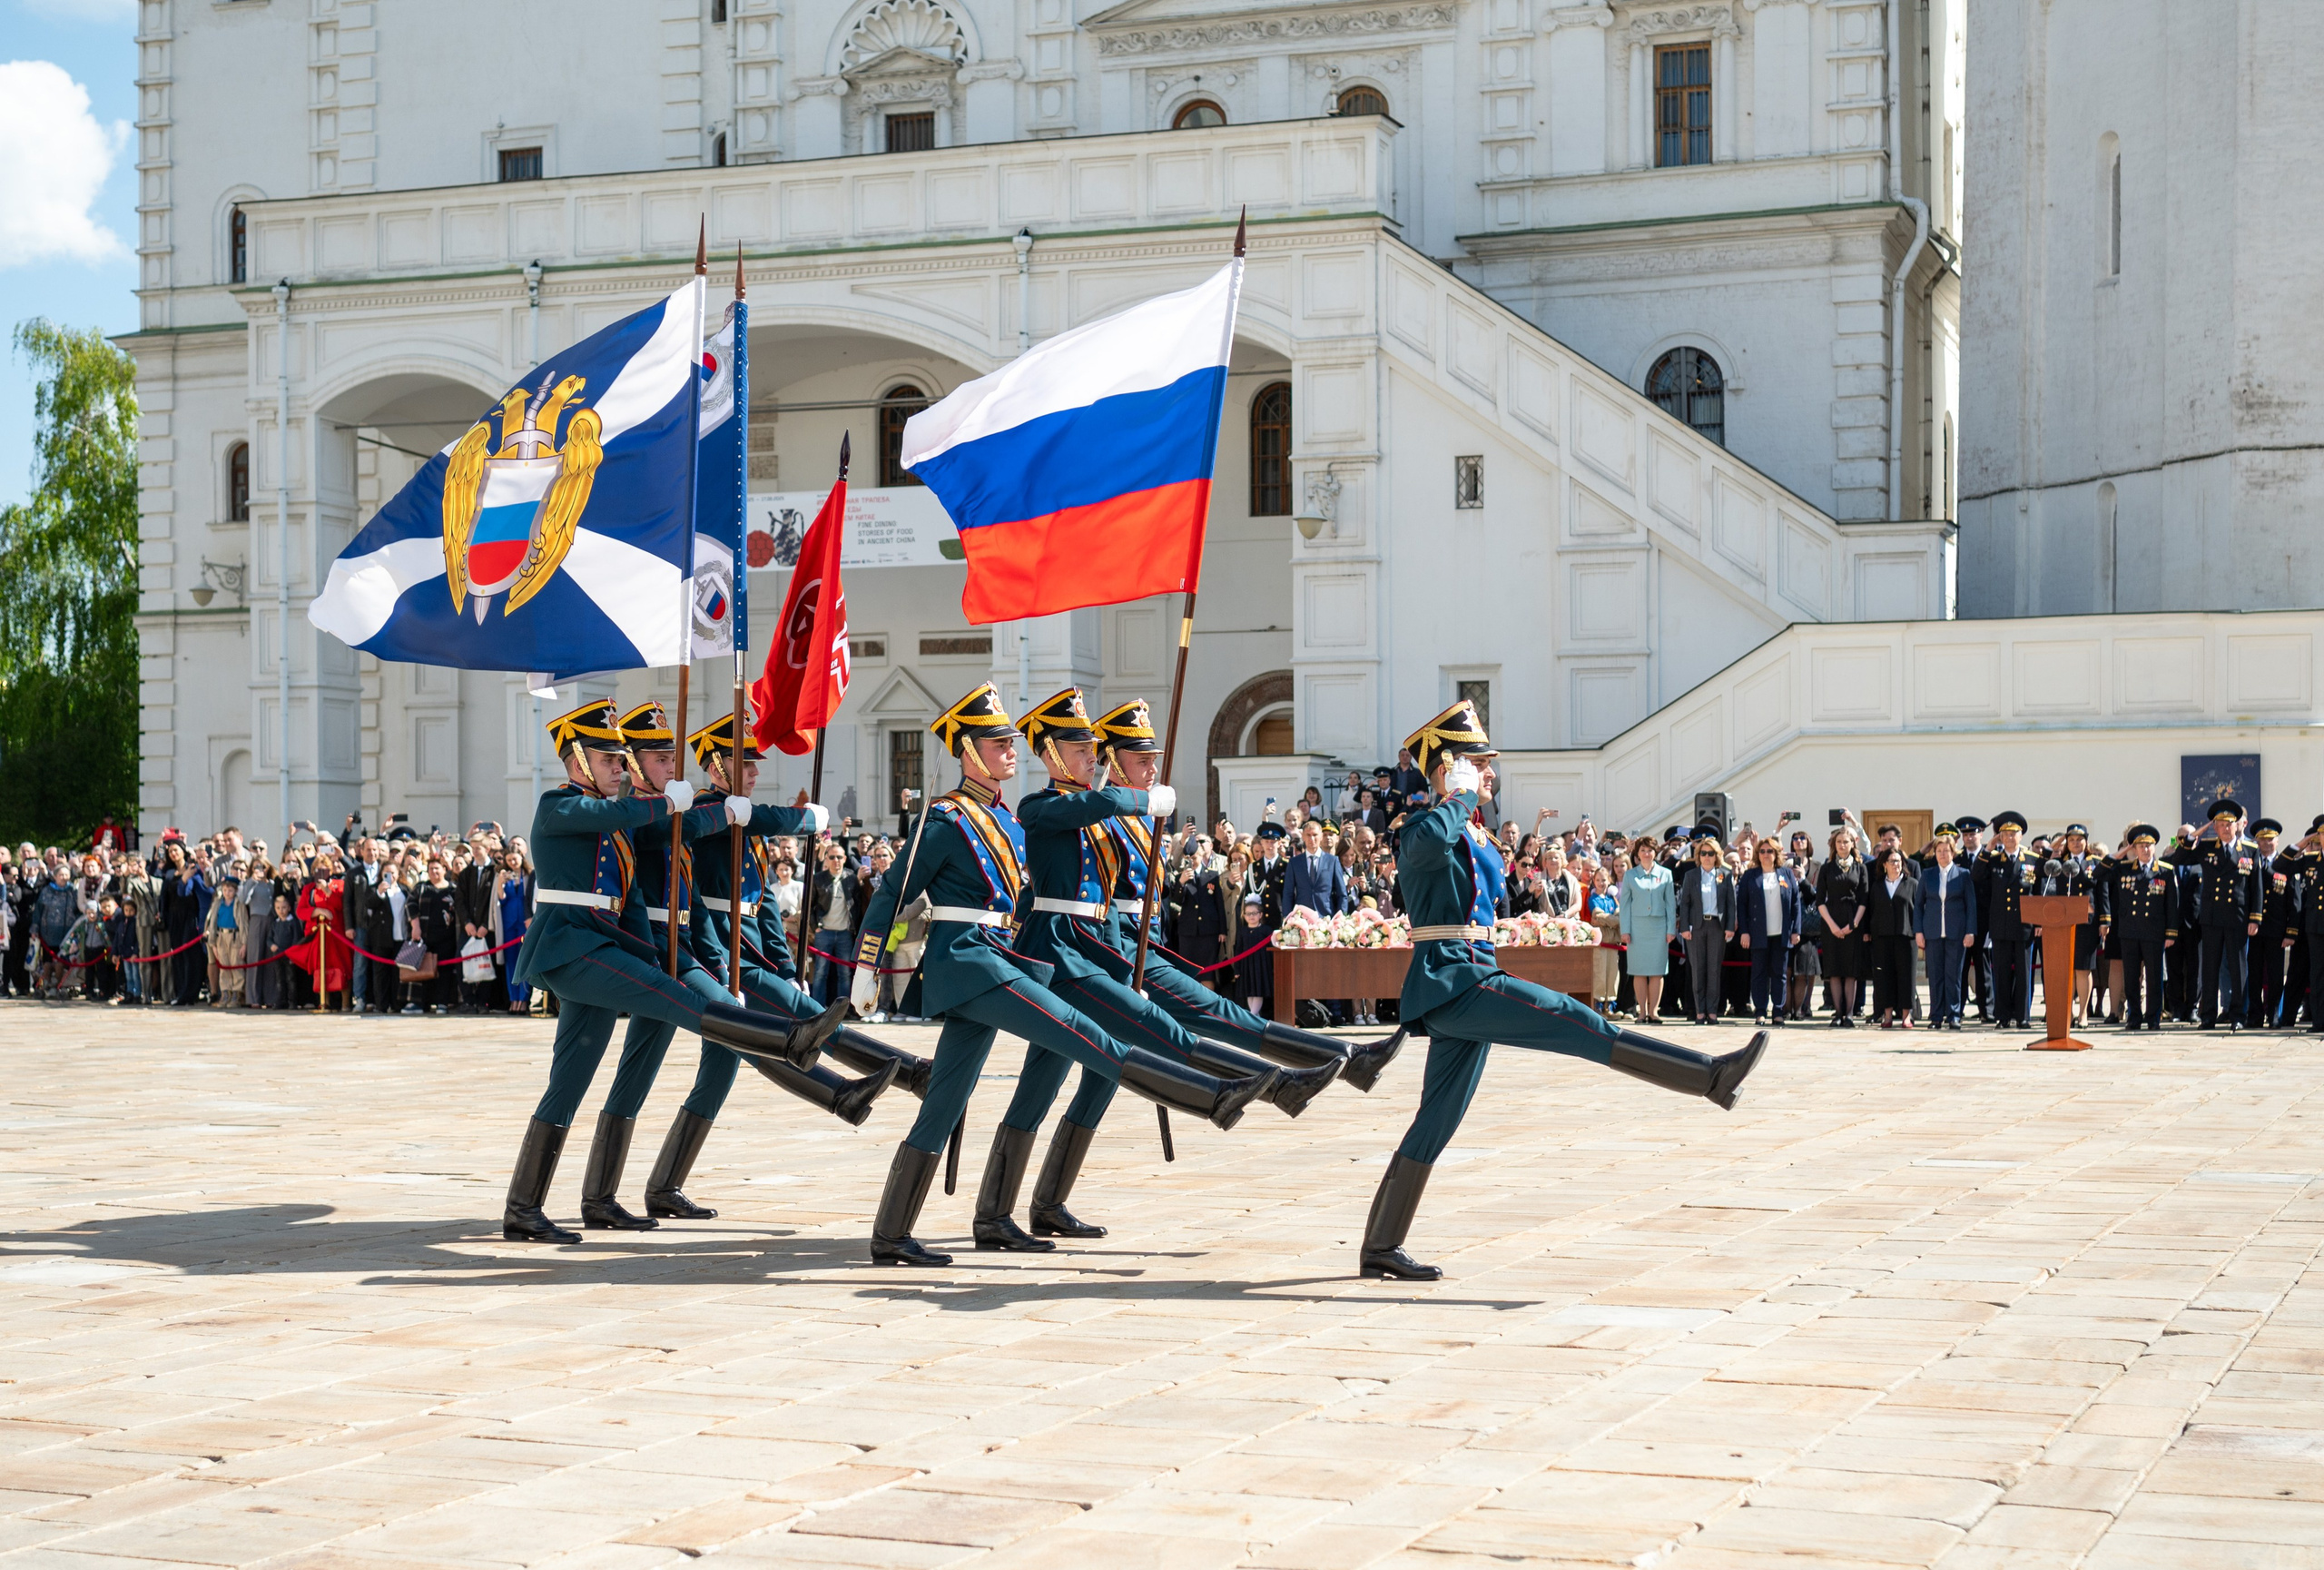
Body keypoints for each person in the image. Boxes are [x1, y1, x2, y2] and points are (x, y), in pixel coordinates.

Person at [850, 683, 1275, 1266]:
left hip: (1000, 955)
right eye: (997, 744)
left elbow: (1025, 896)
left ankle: (925, 1228)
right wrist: (869, 961)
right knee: (1082, 1032)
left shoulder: (1003, 818)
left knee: (946, 1098)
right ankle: (1211, 1098)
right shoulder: (946, 819)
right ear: (968, 752)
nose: (1009, 752)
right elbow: (894, 891)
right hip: (967, 960)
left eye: (1009, 743)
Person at [1358, 699, 1768, 1281]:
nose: (1490, 772)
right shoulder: (1426, 825)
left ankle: (1380, 1244)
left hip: (1470, 973)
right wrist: (1459, 794)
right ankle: (1708, 1077)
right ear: (1450, 768)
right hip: (1455, 979)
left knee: (1438, 1118)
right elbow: (1425, 848)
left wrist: (1465, 801)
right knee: (1582, 1024)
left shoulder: (1467, 828)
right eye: (1479, 763)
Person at [980, 697, 1406, 1245]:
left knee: (1085, 1079)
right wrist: (1137, 800)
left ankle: (1035, 1205)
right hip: (1072, 951)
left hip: (1109, 948)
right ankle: (1288, 1079)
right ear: (1055, 755)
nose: (1148, 768)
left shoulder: (1107, 812)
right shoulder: (1047, 807)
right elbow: (1083, 831)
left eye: (1096, 750)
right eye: (1132, 758)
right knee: (1176, 1028)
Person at [499, 698, 846, 1246]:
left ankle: (554, 1204)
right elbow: (614, 815)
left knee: (571, 1080)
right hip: (571, 947)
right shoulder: (558, 806)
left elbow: (663, 843)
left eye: (621, 760)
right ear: (576, 760)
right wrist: (666, 803)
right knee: (672, 995)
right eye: (608, 759)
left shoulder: (620, 818)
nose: (618, 768)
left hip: (608, 945)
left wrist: (720, 812)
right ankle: (786, 1040)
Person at [638, 709, 924, 1223]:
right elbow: (713, 891)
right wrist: (805, 819)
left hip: (749, 950)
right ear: (716, 767)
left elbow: (764, 901)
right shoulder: (707, 811)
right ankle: (911, 1074)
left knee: (721, 1069)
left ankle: (664, 1185)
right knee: (806, 1015)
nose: (753, 772)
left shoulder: (741, 817)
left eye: (755, 763)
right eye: (743, 763)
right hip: (724, 954)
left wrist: (785, 962)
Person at [2167, 799, 2259, 1032]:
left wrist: (2255, 918)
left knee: (2238, 970)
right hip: (2211, 917)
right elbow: (2178, 859)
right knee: (2209, 968)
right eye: (2220, 824)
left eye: (2229, 824)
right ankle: (2208, 1015)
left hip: (2237, 917)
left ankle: (2237, 1015)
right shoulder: (2206, 847)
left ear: (2236, 825)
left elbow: (2255, 888)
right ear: (2214, 827)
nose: (2225, 828)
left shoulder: (2249, 850)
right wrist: (2194, 835)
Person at [2099, 824, 2176, 1032]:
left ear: (2154, 847)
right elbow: (2099, 873)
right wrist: (2122, 852)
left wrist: (2171, 933)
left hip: (2154, 932)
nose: (2145, 850)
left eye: (2148, 845)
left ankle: (2153, 1017)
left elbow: (2171, 904)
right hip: (2130, 931)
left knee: (2154, 977)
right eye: (2140, 846)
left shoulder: (2165, 871)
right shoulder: (2124, 868)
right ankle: (2134, 1016)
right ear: (2134, 848)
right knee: (2131, 977)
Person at [1915, 825, 1978, 1030]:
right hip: (1933, 932)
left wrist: (1970, 931)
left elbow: (1971, 906)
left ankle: (1954, 1015)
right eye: (1939, 851)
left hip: (1956, 932)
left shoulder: (1963, 874)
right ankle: (1936, 1016)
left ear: (1953, 853)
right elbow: (1918, 905)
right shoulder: (1928, 874)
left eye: (1946, 851)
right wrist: (1918, 931)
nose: (1942, 854)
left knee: (1954, 976)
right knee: (1935, 976)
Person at [1736, 837, 1801, 1027]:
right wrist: (1745, 932)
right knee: (1759, 974)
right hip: (1758, 933)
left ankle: (1778, 1011)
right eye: (1762, 851)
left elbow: (1795, 903)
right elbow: (1742, 905)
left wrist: (1795, 930)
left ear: (1776, 854)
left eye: (1769, 851)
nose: (1766, 854)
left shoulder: (1786, 874)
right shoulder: (1750, 875)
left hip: (1781, 933)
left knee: (1780, 974)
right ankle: (1761, 1011)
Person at [1675, 832, 1736, 1025]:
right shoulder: (1691, 875)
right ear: (1698, 856)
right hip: (1697, 927)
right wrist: (1685, 927)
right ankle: (1700, 1011)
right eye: (1703, 853)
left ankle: (1712, 1011)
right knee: (1698, 970)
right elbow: (1685, 904)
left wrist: (1730, 927)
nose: (1707, 857)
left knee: (1714, 970)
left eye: (1710, 853)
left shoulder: (1724, 874)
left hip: (1717, 926)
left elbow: (1730, 903)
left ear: (1717, 855)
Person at [1814, 826, 1870, 1027]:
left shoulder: (1860, 868)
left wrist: (1853, 924)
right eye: (1838, 842)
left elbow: (1864, 899)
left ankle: (1849, 1014)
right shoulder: (1827, 868)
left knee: (1850, 971)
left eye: (1846, 842)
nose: (1842, 845)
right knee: (1835, 970)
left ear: (1852, 843)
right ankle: (1838, 1014)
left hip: (1853, 920)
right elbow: (1820, 900)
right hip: (1831, 921)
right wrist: (1832, 926)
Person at [2246, 817, 2297, 1028]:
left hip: (2276, 930)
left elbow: (2294, 901)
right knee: (2254, 974)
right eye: (2262, 839)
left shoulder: (2286, 865)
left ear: (2277, 841)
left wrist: (2291, 932)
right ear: (2257, 841)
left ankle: (2274, 1013)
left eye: (2270, 839)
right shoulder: (2250, 863)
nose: (2266, 843)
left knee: (2276, 975)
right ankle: (2255, 1014)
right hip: (2254, 930)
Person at [1618, 838, 1674, 1023]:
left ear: (1655, 852)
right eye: (1643, 850)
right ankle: (1642, 1012)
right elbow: (1625, 906)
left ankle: (1653, 1011)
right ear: (1637, 853)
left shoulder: (1665, 874)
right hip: (1637, 929)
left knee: (1657, 971)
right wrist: (1625, 930)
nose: (1646, 854)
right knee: (1639, 971)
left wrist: (1670, 929)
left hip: (1658, 928)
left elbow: (1670, 904)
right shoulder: (1630, 875)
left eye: (1650, 850)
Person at [1866, 847, 1919, 1028]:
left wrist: (1920, 932)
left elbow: (1918, 910)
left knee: (1907, 976)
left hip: (1907, 936)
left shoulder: (1912, 884)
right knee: (1884, 976)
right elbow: (1871, 910)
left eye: (1898, 861)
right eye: (1892, 861)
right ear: (1884, 865)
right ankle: (1887, 1015)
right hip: (1882, 937)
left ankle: (1906, 1015)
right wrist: (1868, 932)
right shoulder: (1877, 886)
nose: (1895, 864)